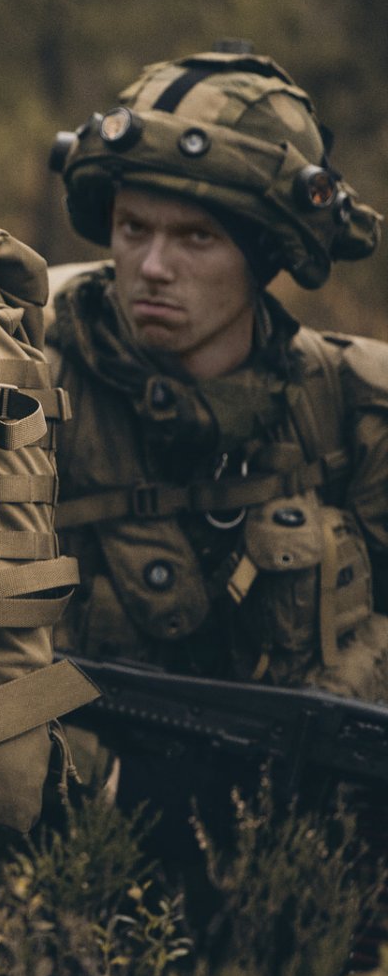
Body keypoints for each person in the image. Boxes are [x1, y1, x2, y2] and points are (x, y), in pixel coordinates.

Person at [47, 45, 388, 766]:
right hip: (71, 825)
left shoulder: (356, 412)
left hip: (307, 823)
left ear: (266, 256)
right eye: (134, 229)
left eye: (196, 237)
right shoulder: (29, 395)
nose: (153, 267)